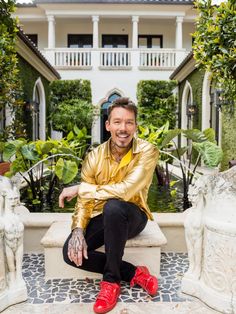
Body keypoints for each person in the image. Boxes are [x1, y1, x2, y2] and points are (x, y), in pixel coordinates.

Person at [59, 97, 159, 314]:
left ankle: (111, 281)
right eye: (117, 122)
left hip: (133, 215)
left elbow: (126, 190)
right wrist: (77, 229)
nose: (123, 128)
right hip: (104, 216)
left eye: (129, 122)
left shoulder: (147, 151)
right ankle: (134, 273)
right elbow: (85, 203)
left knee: (114, 206)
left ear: (135, 126)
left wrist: (80, 188)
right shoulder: (94, 156)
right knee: (70, 253)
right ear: (108, 125)